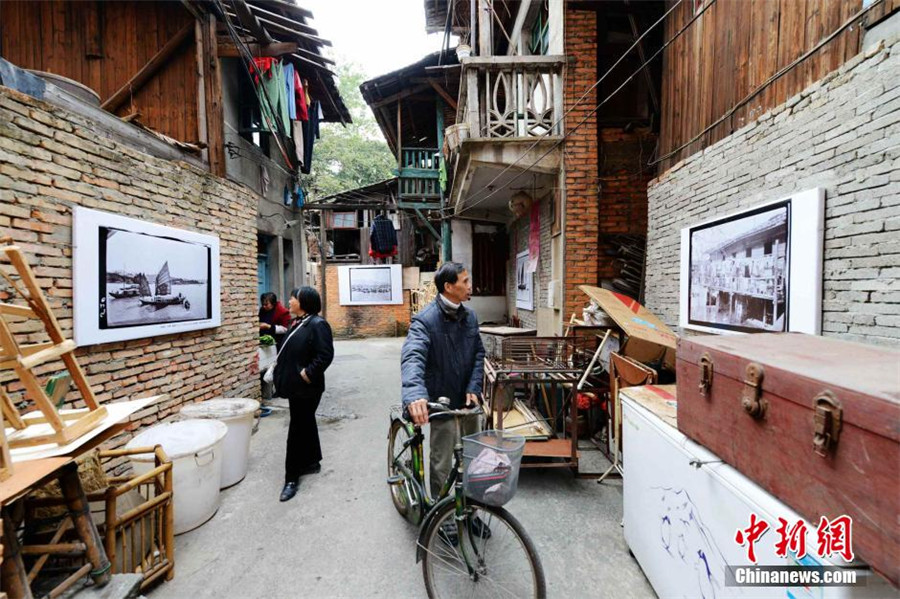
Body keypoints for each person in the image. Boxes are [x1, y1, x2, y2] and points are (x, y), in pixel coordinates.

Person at [401, 262, 485, 499]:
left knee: (472, 458)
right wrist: (415, 393)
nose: (470, 286)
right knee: (442, 463)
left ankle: (470, 511)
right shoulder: (425, 321)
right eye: (465, 281)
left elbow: (478, 354)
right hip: (442, 401)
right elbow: (412, 357)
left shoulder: (470, 317)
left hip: (468, 401)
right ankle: (443, 514)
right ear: (449, 286)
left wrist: (474, 386)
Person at [273, 286, 334, 502]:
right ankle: (311, 461)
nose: (289, 301)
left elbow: (325, 354)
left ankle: (291, 478)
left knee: (297, 429)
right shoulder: (297, 322)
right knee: (305, 423)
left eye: (293, 298)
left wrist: (308, 374)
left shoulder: (318, 325)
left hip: (307, 388)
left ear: (304, 302)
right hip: (296, 387)